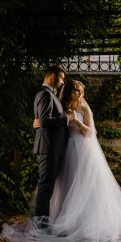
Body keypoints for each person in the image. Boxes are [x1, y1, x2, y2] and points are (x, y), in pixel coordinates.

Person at [0, 79, 121, 242]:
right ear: (69, 92)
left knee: (85, 187)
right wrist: (36, 124)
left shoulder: (84, 109)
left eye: (82, 92)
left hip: (83, 150)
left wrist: (77, 121)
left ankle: (87, 226)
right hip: (67, 150)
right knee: (67, 187)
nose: (80, 94)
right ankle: (65, 225)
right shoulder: (62, 108)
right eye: (77, 91)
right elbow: (52, 123)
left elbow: (91, 133)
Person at [32, 65, 70, 227]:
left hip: (51, 147)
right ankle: (41, 226)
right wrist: (66, 118)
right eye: (61, 79)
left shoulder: (48, 94)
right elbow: (45, 121)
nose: (62, 82)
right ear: (53, 77)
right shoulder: (45, 94)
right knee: (45, 186)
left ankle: (43, 224)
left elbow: (41, 121)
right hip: (48, 148)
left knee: (47, 186)